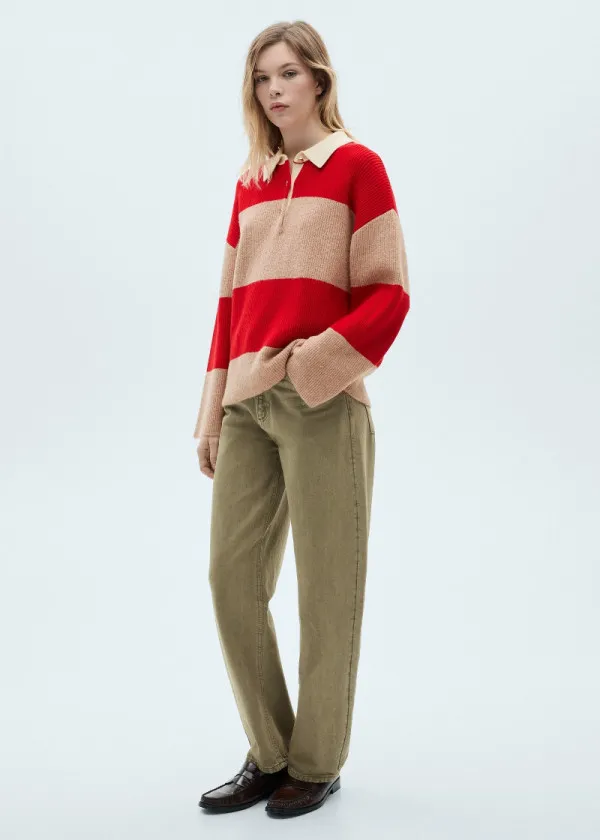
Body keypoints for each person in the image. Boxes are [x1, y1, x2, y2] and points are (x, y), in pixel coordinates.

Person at [194, 19, 410, 819]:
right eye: (261, 78)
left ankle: (315, 764)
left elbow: (389, 293)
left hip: (323, 400)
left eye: (287, 73)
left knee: (327, 592)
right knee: (231, 581)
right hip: (247, 404)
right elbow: (228, 308)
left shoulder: (358, 167)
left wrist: (313, 364)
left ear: (319, 79)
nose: (274, 89)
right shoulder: (250, 181)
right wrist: (212, 414)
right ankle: (270, 752)